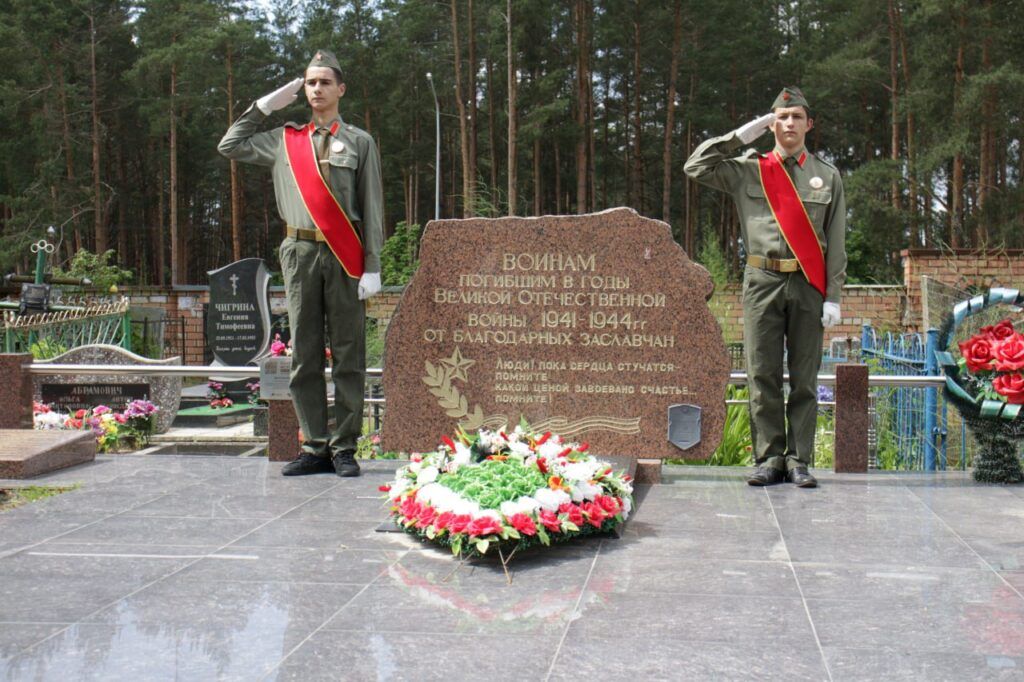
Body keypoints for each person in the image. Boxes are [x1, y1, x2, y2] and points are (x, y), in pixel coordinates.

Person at [218, 49, 383, 477]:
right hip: (300, 252)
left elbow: (372, 206)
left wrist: (373, 265)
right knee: (305, 354)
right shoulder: (284, 139)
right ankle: (314, 446)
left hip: (345, 255)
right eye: (310, 82)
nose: (317, 89)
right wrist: (263, 107)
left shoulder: (360, 142)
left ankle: (344, 447)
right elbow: (230, 145)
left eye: (325, 82)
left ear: (341, 89)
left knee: (348, 353)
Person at [684, 87, 846, 488]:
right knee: (762, 373)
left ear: (809, 124)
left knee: (805, 377)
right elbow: (695, 166)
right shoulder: (749, 169)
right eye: (781, 117)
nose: (789, 123)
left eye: (796, 116)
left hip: (807, 283)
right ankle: (770, 458)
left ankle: (799, 460)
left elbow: (836, 240)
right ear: (771, 124)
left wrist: (833, 296)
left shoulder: (827, 175)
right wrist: (739, 137)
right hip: (762, 280)